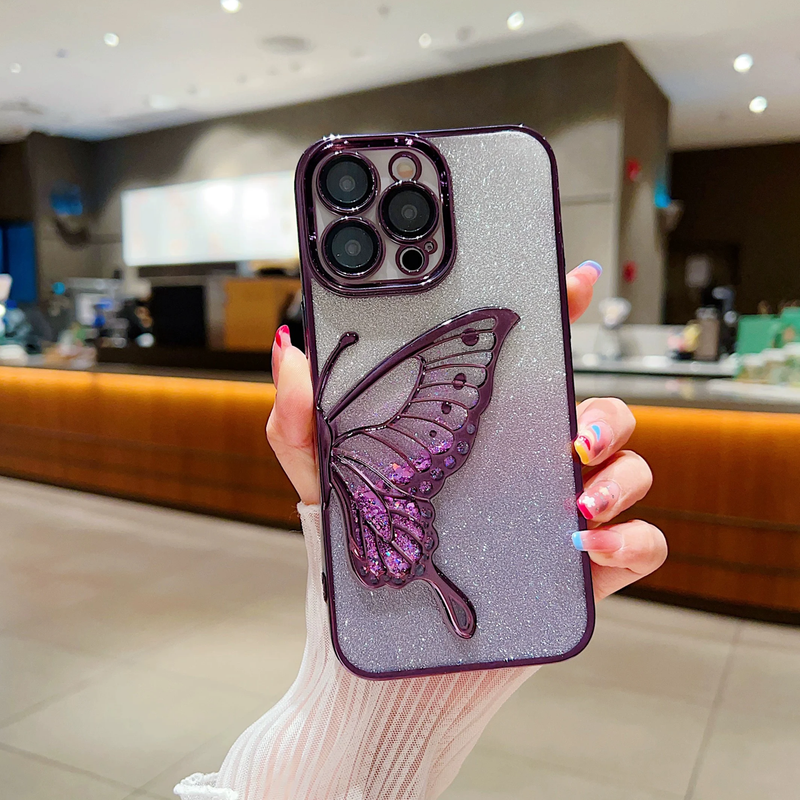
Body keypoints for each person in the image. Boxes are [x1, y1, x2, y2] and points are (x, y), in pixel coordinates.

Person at [176, 261, 666, 800]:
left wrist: (397, 724)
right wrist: (361, 713)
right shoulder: (365, 423)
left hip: (387, 510)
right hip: (384, 510)